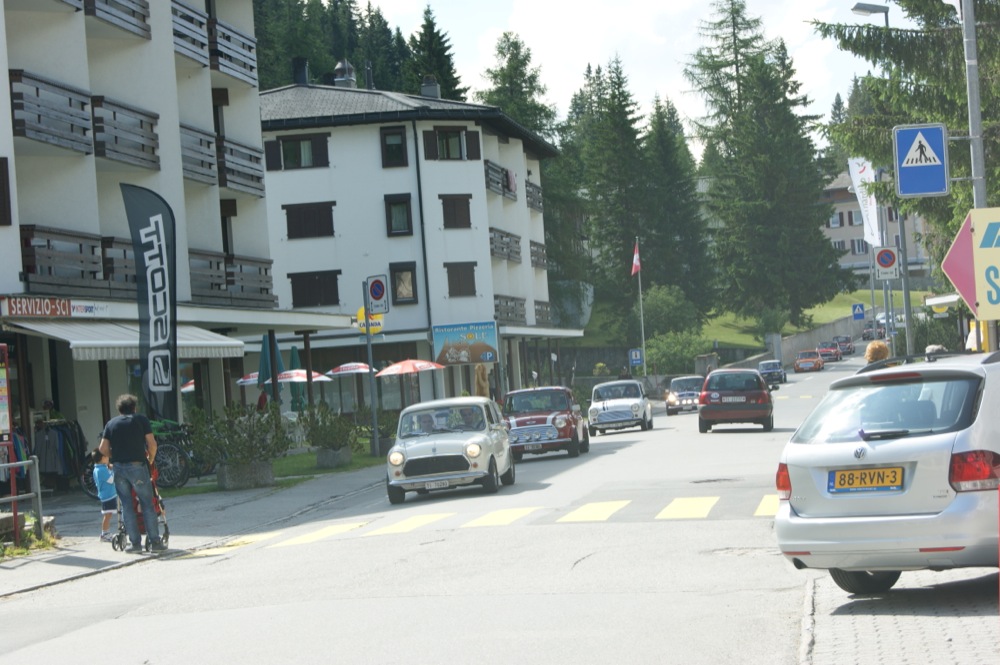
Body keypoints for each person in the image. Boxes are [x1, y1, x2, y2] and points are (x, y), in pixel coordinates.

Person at [98, 394, 166, 553]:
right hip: (137, 466)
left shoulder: (111, 424)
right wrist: (150, 459)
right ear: (134, 408)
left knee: (127, 505)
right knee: (147, 503)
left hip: (119, 468)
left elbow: (102, 448)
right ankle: (155, 542)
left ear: (119, 410)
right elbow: (152, 444)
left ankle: (135, 544)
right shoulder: (141, 420)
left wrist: (113, 457)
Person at [89, 448, 116, 542]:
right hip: (108, 496)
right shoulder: (102, 470)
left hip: (107, 495)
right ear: (103, 458)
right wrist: (114, 470)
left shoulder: (98, 468)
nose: (108, 458)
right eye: (107, 456)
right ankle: (104, 534)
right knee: (107, 515)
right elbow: (111, 480)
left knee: (108, 514)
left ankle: (106, 533)